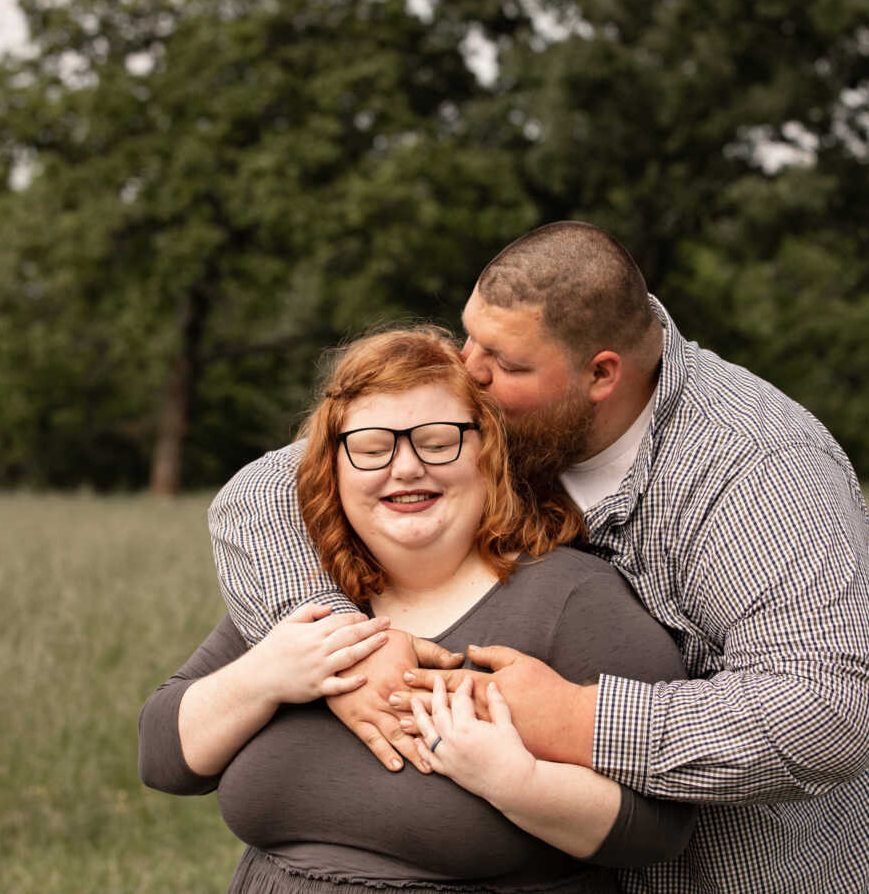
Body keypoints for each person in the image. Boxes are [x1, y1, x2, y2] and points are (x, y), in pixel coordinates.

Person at [208, 222, 869, 893]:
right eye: (471, 336)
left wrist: (574, 720)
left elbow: (829, 709)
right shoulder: (504, 416)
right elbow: (261, 492)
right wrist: (347, 648)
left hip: (736, 877)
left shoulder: (755, 468)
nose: (469, 371)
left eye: (509, 363)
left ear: (601, 374)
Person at [139, 326, 696, 892]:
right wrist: (266, 677)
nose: (405, 469)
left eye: (436, 441)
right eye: (372, 448)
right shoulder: (305, 591)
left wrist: (515, 782)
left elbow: (660, 830)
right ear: (332, 468)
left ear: (489, 452)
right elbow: (163, 761)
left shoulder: (573, 600)